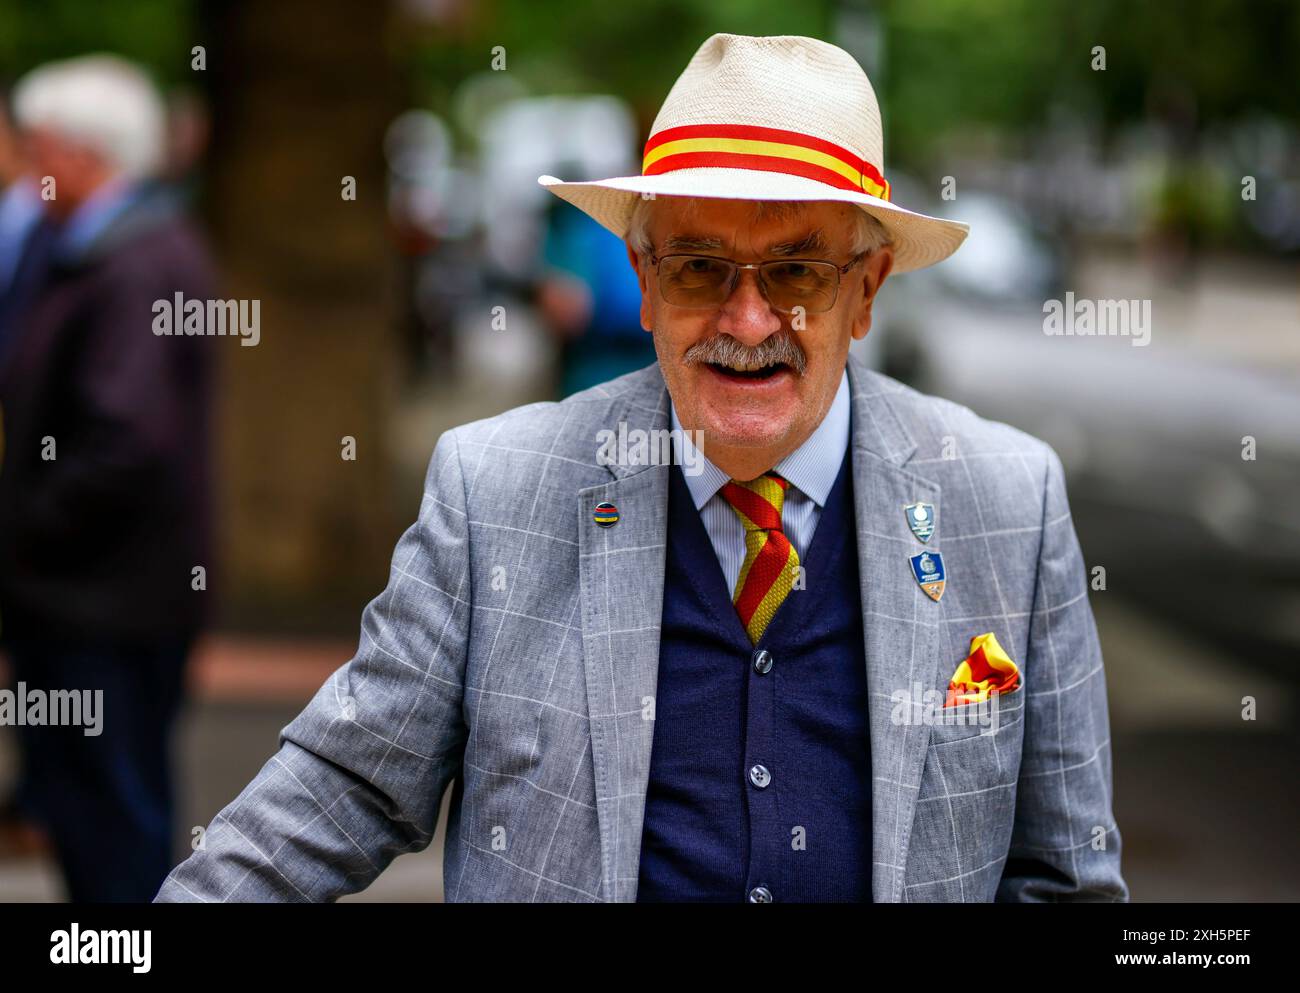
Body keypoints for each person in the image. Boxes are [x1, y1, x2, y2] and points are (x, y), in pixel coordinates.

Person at [157, 33, 1126, 903]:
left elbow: (1064, 879)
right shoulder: (498, 490)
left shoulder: (1006, 498)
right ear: (643, 282)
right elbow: (347, 787)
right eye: (700, 268)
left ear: (865, 291)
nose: (748, 324)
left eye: (795, 272)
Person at [0, 55, 217, 902]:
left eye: (36, 146)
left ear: (80, 152)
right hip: (93, 596)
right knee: (95, 815)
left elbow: (128, 442)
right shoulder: (104, 250)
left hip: (105, 603)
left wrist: (20, 530)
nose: (26, 165)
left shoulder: (132, 262)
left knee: (112, 824)